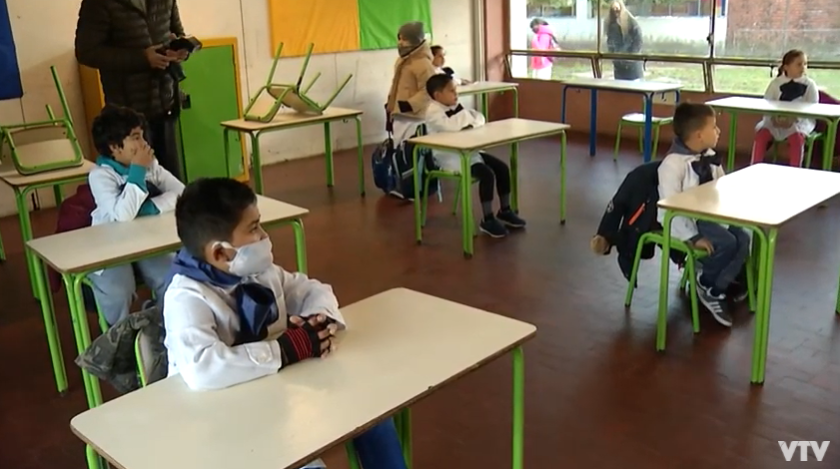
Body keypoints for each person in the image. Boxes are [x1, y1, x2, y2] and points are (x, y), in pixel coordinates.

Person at [163, 177, 408, 469]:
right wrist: (285, 350)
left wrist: (318, 319)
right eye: (254, 228)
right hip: (223, 426)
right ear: (220, 252)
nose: (264, 235)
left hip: (277, 398)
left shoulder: (259, 272)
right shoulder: (186, 297)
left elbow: (311, 290)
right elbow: (202, 368)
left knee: (372, 416)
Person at [88, 105, 185, 326]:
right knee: (119, 292)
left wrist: (150, 208)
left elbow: (181, 192)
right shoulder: (100, 176)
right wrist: (138, 171)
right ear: (114, 147)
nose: (144, 143)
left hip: (146, 238)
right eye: (136, 138)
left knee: (172, 276)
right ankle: (118, 335)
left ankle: (163, 324)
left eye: (142, 136)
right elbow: (123, 215)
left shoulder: (151, 166)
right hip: (111, 246)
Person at [75, 0, 190, 180]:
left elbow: (176, 32)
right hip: (127, 113)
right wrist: (142, 58)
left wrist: (180, 50)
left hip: (164, 103)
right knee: (139, 184)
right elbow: (86, 52)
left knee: (170, 180)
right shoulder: (98, 3)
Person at [658, 103, 749, 327]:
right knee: (727, 243)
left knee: (745, 238)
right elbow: (670, 209)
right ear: (699, 135)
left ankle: (717, 286)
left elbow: (722, 187)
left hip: (712, 216)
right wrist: (693, 237)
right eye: (714, 127)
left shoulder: (709, 156)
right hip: (688, 221)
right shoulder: (672, 165)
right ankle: (707, 281)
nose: (718, 131)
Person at [424, 74, 526, 238]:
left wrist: (468, 122)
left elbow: (479, 118)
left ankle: (505, 210)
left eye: (456, 90)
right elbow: (452, 125)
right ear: (437, 95)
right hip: (450, 156)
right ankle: (487, 219)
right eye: (451, 91)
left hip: (468, 150)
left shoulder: (454, 107)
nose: (456, 94)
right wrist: (467, 120)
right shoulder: (433, 112)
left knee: (502, 168)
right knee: (487, 175)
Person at [750, 49, 819, 168]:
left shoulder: (810, 85)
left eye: (805, 64)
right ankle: (754, 166)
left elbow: (813, 106)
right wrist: (773, 118)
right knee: (762, 135)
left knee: (796, 139)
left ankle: (795, 170)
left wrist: (795, 119)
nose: (803, 67)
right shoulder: (775, 83)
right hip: (775, 120)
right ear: (786, 67)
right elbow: (767, 103)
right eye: (799, 64)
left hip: (799, 122)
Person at [604, 0, 644, 80]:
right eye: (613, 11)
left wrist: (631, 58)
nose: (616, 13)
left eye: (617, 10)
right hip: (619, 68)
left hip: (633, 67)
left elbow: (638, 41)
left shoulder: (631, 22)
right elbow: (610, 44)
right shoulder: (611, 25)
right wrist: (615, 59)